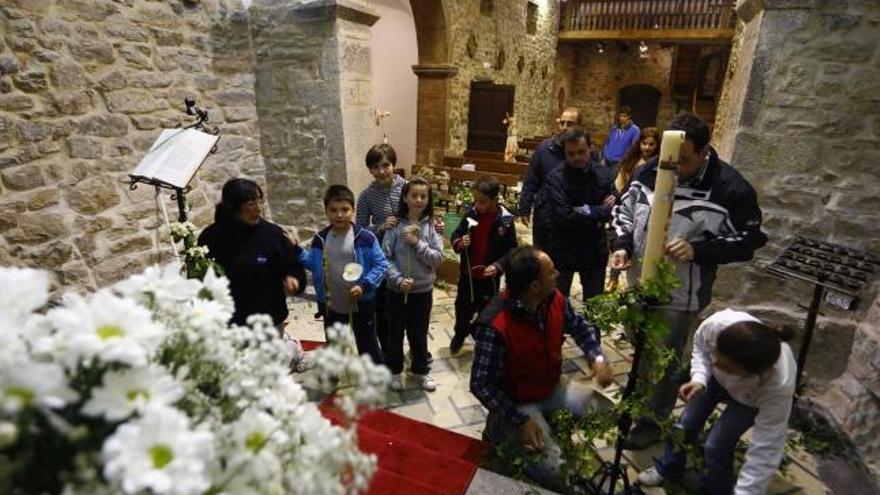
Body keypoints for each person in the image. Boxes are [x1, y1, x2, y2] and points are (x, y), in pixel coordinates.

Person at [610, 112, 768, 449]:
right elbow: (622, 212)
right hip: (639, 282)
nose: (672, 167)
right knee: (639, 349)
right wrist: (623, 246)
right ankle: (633, 402)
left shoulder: (729, 188)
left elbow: (750, 241)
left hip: (680, 293)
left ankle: (653, 419)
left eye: (682, 161)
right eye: (670, 158)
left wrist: (699, 249)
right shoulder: (652, 168)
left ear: (703, 152)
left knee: (665, 358)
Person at [470, 245, 614, 494]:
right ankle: (501, 431)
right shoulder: (495, 324)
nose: (557, 274)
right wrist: (519, 420)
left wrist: (597, 357)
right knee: (556, 471)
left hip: (550, 387)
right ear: (535, 286)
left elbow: (579, 326)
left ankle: (548, 425)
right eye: (551, 272)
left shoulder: (553, 299)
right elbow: (480, 384)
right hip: (518, 403)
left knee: (608, 412)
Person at [637, 309, 797, 495]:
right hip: (713, 381)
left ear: (753, 373)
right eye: (717, 356)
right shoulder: (718, 324)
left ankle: (714, 490)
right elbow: (701, 349)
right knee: (684, 425)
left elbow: (766, 448)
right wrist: (699, 378)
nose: (716, 365)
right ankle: (668, 468)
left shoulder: (778, 385)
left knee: (717, 445)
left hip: (749, 399)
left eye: (727, 367)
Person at [198, 178, 311, 371]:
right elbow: (200, 274)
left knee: (268, 372)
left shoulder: (273, 235)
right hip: (230, 316)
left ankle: (291, 349)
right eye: (251, 204)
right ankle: (289, 348)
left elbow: (294, 267)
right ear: (233, 207)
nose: (259, 208)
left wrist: (294, 280)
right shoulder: (212, 237)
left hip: (268, 313)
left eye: (260, 201)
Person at [356, 144, 443, 360]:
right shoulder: (366, 196)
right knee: (387, 311)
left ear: (394, 165)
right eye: (376, 167)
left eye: (386, 165)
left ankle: (417, 349)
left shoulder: (408, 187)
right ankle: (390, 351)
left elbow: (424, 208)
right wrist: (380, 227)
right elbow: (359, 230)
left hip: (413, 256)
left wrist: (436, 225)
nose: (382, 171)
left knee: (416, 312)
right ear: (370, 170)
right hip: (384, 257)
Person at [301, 185, 388, 364]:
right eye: (333, 210)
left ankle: (375, 373)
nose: (339, 215)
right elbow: (312, 263)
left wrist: (364, 285)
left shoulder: (366, 238)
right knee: (335, 343)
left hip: (362, 303)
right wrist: (295, 248)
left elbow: (381, 265)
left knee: (367, 342)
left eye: (345, 209)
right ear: (326, 211)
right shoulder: (320, 239)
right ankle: (333, 373)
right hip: (332, 304)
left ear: (353, 210)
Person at [382, 176, 444, 391]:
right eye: (414, 195)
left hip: (422, 291)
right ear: (406, 198)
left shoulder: (431, 227)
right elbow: (385, 258)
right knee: (395, 333)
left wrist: (418, 243)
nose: (418, 200)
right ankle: (395, 371)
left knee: (419, 332)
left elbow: (437, 258)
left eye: (423, 196)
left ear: (428, 199)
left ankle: (420, 370)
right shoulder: (395, 226)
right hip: (397, 292)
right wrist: (398, 280)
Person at [543, 129, 616, 303]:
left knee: (595, 306)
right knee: (557, 304)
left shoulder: (603, 173)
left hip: (594, 248)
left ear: (590, 148)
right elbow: (564, 216)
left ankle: (592, 331)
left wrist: (581, 210)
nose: (577, 157)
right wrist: (597, 210)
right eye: (571, 153)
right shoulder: (555, 178)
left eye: (581, 152)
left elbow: (614, 209)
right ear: (565, 153)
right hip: (563, 247)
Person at [449, 175, 518, 355]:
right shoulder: (471, 214)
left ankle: (481, 336)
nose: (478, 206)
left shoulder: (505, 221)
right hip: (468, 275)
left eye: (483, 202)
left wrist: (498, 265)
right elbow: (456, 234)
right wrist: (459, 242)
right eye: (476, 201)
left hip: (489, 278)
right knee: (462, 308)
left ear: (495, 200)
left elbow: (512, 250)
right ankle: (460, 333)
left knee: (487, 312)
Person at [517, 107, 584, 250]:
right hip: (545, 213)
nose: (565, 127)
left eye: (570, 124)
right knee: (541, 259)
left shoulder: (586, 152)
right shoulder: (544, 149)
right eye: (562, 123)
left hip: (572, 216)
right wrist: (524, 208)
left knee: (564, 265)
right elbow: (531, 180)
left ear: (579, 127)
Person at [607, 127, 661, 291]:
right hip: (627, 203)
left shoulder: (658, 166)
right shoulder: (631, 161)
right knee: (620, 240)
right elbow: (621, 183)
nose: (647, 148)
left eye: (651, 144)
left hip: (644, 209)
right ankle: (613, 278)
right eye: (644, 143)